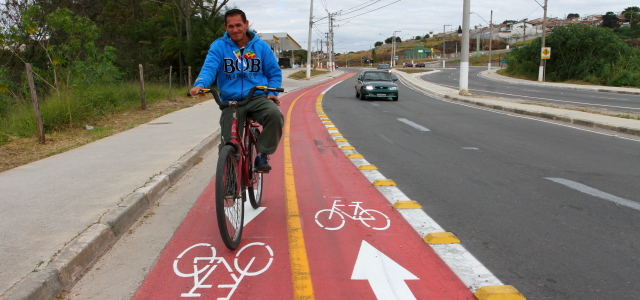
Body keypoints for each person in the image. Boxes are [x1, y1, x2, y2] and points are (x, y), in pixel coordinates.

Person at [190, 9, 283, 172]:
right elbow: (209, 68)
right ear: (225, 27)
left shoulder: (260, 47)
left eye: (238, 25)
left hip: (256, 97)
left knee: (275, 115)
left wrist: (272, 93)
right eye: (230, 26)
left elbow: (274, 73)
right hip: (230, 101)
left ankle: (262, 154)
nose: (235, 30)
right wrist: (200, 84)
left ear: (246, 24)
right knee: (228, 143)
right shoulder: (219, 46)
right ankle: (230, 181)